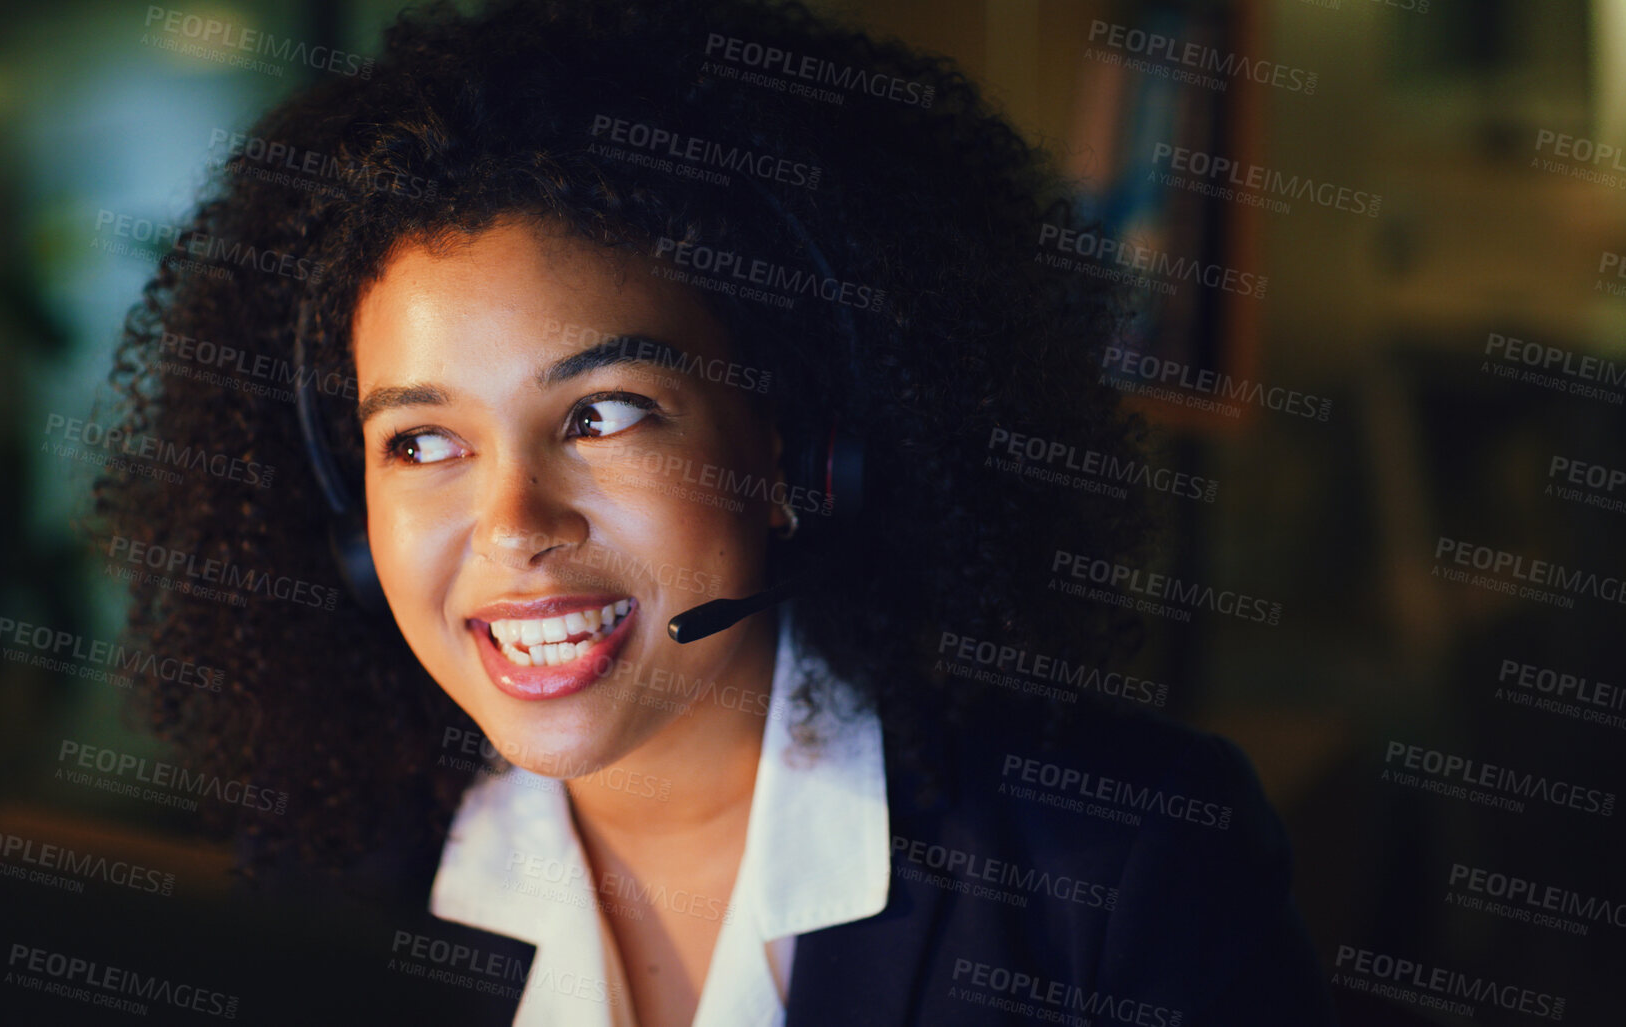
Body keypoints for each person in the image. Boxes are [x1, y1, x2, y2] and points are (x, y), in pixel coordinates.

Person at [96, 0, 1336, 1023]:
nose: (513, 521)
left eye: (603, 412)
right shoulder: (334, 884)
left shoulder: (1111, 874)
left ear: (802, 453)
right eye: (421, 441)